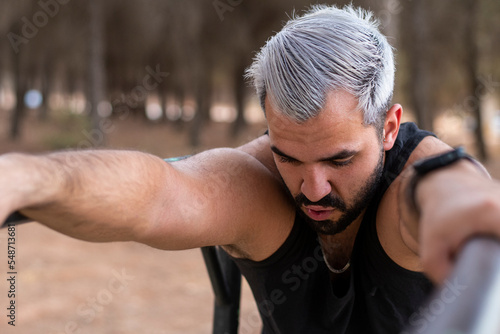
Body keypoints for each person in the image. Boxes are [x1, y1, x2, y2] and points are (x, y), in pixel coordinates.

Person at [1, 4, 500, 333]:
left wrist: (468, 216)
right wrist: (24, 176)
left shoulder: (418, 180)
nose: (313, 188)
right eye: (288, 155)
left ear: (389, 128)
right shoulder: (257, 180)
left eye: (339, 158)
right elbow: (160, 193)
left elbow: (444, 190)